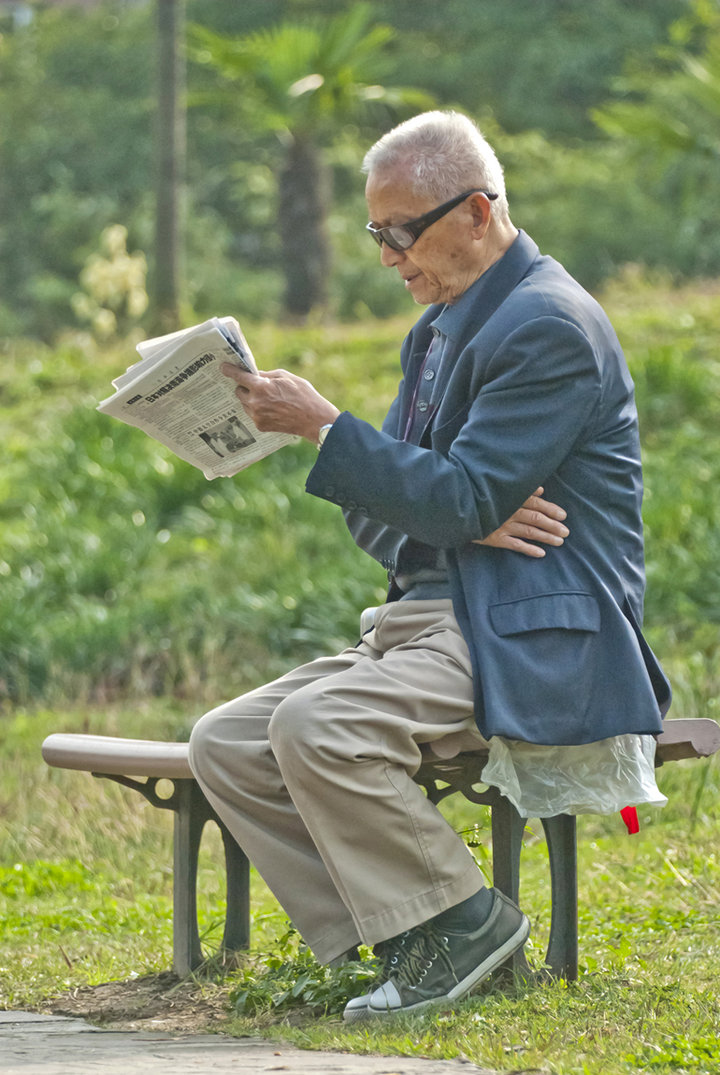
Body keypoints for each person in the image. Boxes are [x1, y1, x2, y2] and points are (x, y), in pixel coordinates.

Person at [188, 110, 670, 1020]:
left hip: (528, 624)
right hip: (429, 624)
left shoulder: (549, 326)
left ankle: (465, 926)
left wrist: (337, 434)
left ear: (478, 212)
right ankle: (410, 942)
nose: (388, 256)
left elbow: (443, 498)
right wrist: (454, 508)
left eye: (401, 232)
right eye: (377, 233)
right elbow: (401, 514)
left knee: (317, 724)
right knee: (229, 742)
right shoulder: (441, 328)